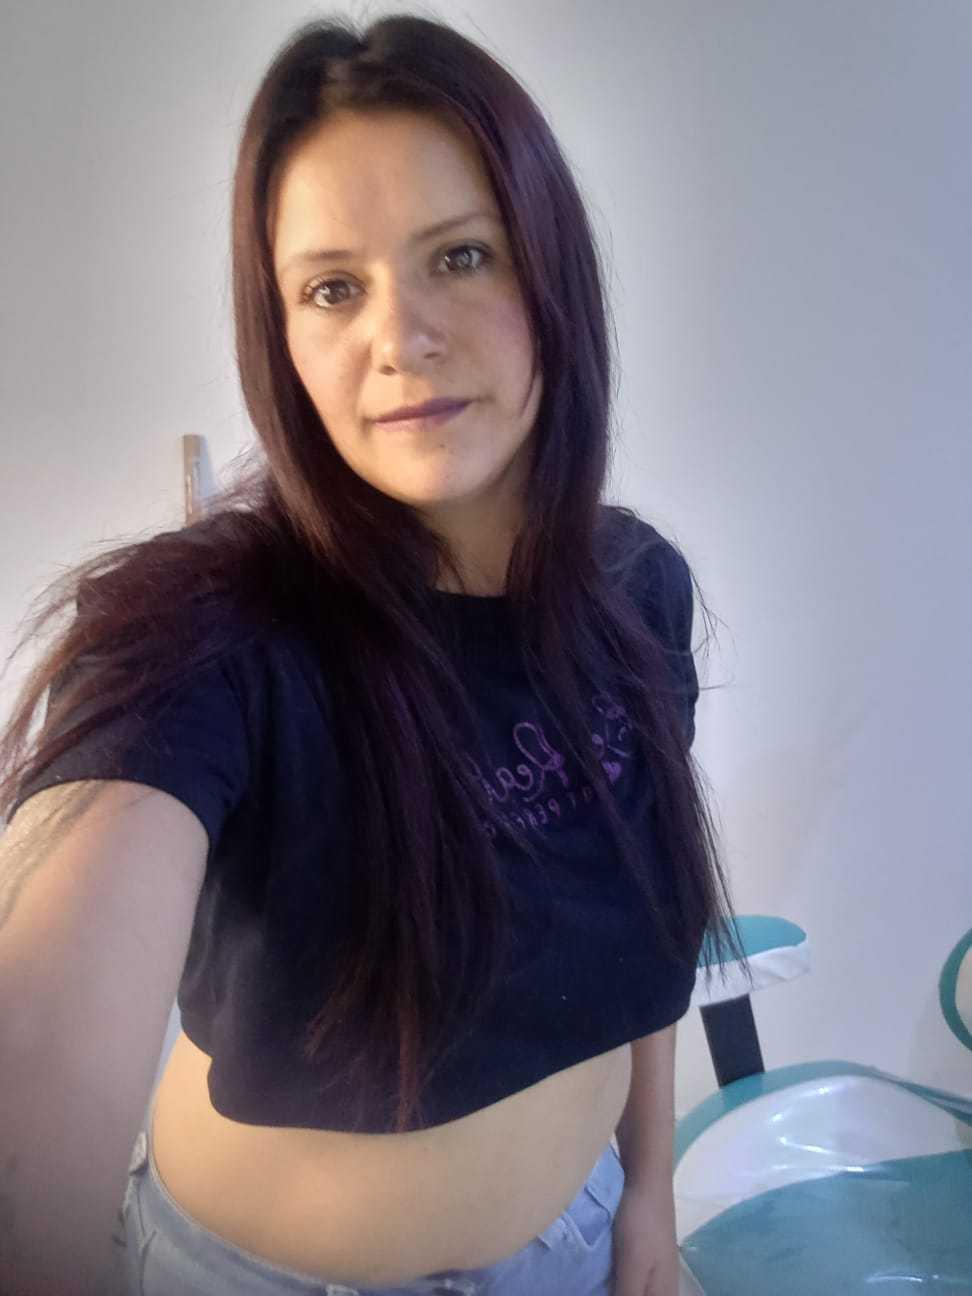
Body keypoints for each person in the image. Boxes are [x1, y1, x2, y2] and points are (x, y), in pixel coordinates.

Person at [0, 12, 748, 1296]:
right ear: (281, 332)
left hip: (578, 1242)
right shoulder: (200, 635)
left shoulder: (639, 590)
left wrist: (648, 1204)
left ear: (553, 276)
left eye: (461, 255)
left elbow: (650, 916)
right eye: (332, 288)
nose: (398, 337)